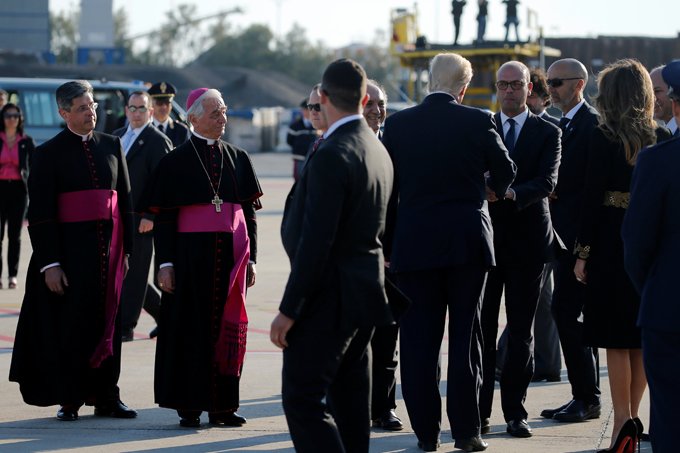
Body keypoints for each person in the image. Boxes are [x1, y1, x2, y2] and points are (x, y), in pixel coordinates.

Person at [382, 52, 516, 452]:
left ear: (428, 83)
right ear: (463, 87)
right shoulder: (478, 120)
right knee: (466, 340)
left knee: (418, 343)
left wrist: (388, 245)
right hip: (466, 242)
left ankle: (425, 434)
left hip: (414, 243)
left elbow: (388, 192)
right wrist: (484, 185)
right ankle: (467, 431)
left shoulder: (399, 124)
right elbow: (507, 170)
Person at [270, 58, 394, 453]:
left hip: (330, 299)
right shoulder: (375, 148)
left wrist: (290, 308)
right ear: (363, 98)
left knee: (303, 399)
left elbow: (317, 242)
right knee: (350, 399)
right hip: (364, 293)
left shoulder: (332, 152)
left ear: (323, 97)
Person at [9, 80, 136, 421]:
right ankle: (71, 398)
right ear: (63, 112)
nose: (90, 112)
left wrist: (128, 253)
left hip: (108, 257)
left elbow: (125, 202)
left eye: (92, 105)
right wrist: (50, 263)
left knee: (109, 325)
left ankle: (108, 395)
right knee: (73, 328)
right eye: (82, 108)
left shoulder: (112, 146)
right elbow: (40, 214)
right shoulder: (47, 153)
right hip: (70, 257)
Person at [145, 87, 262, 428]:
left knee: (227, 329)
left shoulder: (238, 158)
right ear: (193, 117)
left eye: (224, 112)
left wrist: (251, 258)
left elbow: (248, 215)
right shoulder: (174, 161)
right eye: (214, 113)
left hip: (229, 260)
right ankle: (190, 405)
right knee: (189, 331)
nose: (222, 119)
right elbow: (165, 218)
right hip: (188, 261)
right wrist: (165, 264)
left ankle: (223, 407)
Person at [574, 59, 669, 452]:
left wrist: (581, 253)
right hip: (651, 243)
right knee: (639, 337)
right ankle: (634, 418)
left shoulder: (602, 135)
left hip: (612, 241)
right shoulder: (662, 135)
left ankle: (622, 424)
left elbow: (591, 201)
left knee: (615, 338)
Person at [479, 61, 562, 439]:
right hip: (487, 242)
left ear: (529, 89)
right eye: (503, 84)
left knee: (520, 333)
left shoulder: (549, 131)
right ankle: (478, 413)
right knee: (480, 330)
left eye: (516, 85)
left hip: (529, 243)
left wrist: (509, 193)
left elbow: (546, 181)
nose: (509, 91)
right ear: (496, 88)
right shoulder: (483, 126)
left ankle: (515, 412)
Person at [622, 59, 680, 453]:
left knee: (671, 417)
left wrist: (655, 290)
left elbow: (637, 244)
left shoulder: (659, 161)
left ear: (675, 103)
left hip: (669, 312)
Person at [541, 58, 602, 423]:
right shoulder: (565, 123)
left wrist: (585, 250)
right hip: (564, 239)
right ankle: (583, 394)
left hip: (579, 241)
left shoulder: (591, 125)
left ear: (579, 84)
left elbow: (590, 190)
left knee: (569, 314)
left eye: (557, 82)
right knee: (568, 315)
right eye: (549, 82)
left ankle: (588, 398)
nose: (551, 89)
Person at [113, 91, 172, 341]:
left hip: (141, 219)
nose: (136, 113)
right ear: (126, 110)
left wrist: (151, 215)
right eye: (132, 108)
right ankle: (164, 314)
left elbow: (165, 183)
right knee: (121, 271)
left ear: (150, 112)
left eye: (141, 108)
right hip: (116, 218)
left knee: (135, 272)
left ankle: (126, 325)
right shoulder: (116, 137)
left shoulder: (156, 141)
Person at [361, 79, 403, 432]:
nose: (376, 110)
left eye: (381, 103)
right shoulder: (344, 147)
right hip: (357, 261)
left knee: (388, 339)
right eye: (369, 103)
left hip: (392, 260)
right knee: (356, 341)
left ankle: (384, 407)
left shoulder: (396, 145)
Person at [0, 103, 34, 289]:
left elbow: (36, 165)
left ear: (20, 118)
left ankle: (12, 275)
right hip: (0, 188)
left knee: (15, 235)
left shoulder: (26, 141)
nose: (12, 118)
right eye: (8, 115)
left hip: (19, 191)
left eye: (15, 115)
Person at [148, 81, 190, 148]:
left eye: (167, 102)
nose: (164, 107)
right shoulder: (145, 129)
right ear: (151, 104)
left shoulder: (181, 131)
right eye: (160, 103)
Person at [286, 98, 317, 180]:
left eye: (310, 109)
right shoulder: (295, 125)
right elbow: (289, 140)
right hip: (299, 158)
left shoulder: (318, 125)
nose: (308, 111)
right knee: (298, 181)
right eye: (305, 109)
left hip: (314, 158)